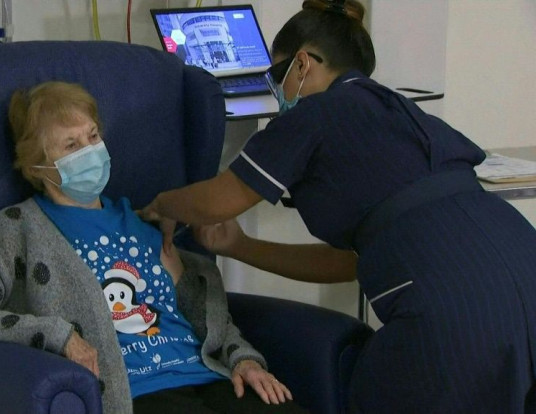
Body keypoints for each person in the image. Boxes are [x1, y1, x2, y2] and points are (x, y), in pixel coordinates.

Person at [139, 1, 536, 413]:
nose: (278, 89)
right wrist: (239, 246)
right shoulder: (396, 109)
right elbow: (348, 265)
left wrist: (163, 203)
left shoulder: (316, 113)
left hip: (449, 297)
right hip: (521, 258)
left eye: (278, 75)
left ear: (303, 64)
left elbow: (222, 197)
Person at [0, 81, 307, 414]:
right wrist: (59, 336)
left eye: (93, 136)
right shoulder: (19, 229)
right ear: (37, 166)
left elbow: (204, 316)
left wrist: (244, 360)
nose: (90, 151)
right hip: (137, 394)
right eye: (71, 144)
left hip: (210, 378)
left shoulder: (145, 222)